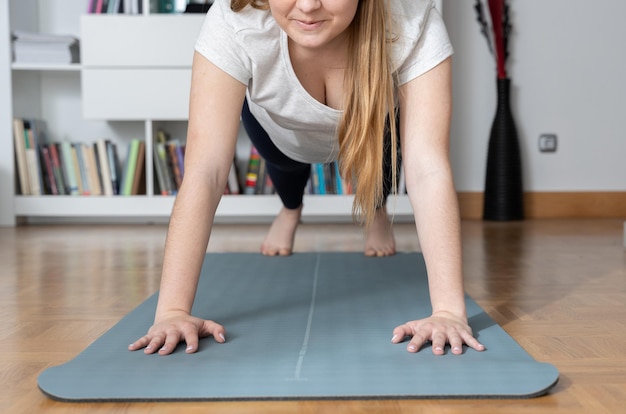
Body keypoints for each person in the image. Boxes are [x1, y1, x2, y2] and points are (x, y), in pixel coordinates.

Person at [129, 0, 485, 356]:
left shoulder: (413, 24)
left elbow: (428, 168)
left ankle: (376, 209)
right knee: (286, 165)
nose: (309, 5)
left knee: (388, 157)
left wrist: (449, 312)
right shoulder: (235, 21)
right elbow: (206, 171)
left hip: (372, 128)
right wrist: (172, 311)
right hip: (280, 128)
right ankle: (290, 209)